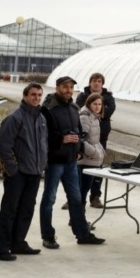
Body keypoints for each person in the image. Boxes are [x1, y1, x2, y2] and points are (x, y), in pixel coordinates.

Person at [40, 76, 105, 249]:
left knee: (76, 200)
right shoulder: (48, 108)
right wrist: (62, 139)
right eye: (65, 87)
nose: (68, 90)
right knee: (49, 200)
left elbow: (78, 132)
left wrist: (77, 149)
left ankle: (83, 234)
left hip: (70, 161)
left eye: (70, 87)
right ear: (57, 88)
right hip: (54, 162)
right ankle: (48, 236)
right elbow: (43, 136)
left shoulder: (73, 108)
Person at [0, 83, 48, 261]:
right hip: (18, 174)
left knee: (26, 209)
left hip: (34, 172)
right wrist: (12, 170)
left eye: (39, 95)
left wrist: (41, 166)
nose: (37, 98)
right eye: (33, 95)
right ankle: (0, 248)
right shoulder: (15, 118)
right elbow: (4, 146)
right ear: (25, 96)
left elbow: (43, 145)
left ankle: (18, 242)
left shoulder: (41, 118)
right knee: (9, 210)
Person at [75, 73, 116, 208]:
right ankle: (76, 203)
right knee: (82, 178)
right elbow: (82, 139)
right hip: (90, 149)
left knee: (97, 173)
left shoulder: (108, 97)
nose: (96, 83)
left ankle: (95, 196)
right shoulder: (85, 111)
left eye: (99, 81)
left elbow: (110, 110)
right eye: (94, 81)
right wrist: (95, 152)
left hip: (100, 140)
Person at [78, 94, 105, 207]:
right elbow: (82, 141)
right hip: (86, 161)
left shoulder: (95, 117)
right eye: (95, 104)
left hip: (93, 160)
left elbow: (94, 140)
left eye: (99, 104)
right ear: (89, 104)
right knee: (82, 192)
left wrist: (101, 151)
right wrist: (96, 153)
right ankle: (77, 220)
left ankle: (79, 220)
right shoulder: (85, 117)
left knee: (84, 190)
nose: (97, 106)